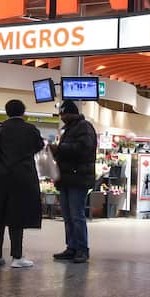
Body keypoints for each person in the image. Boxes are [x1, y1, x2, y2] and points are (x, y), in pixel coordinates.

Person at [0, 99, 44, 268]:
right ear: (23, 112)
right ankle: (17, 257)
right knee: (16, 217)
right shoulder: (30, 130)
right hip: (21, 178)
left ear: (7, 112)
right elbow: (39, 146)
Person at [51, 100, 97, 264]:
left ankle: (82, 249)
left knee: (76, 215)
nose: (61, 117)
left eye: (63, 114)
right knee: (68, 215)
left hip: (78, 178)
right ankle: (71, 247)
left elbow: (84, 149)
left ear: (71, 113)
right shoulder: (69, 129)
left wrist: (60, 149)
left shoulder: (84, 127)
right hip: (67, 178)